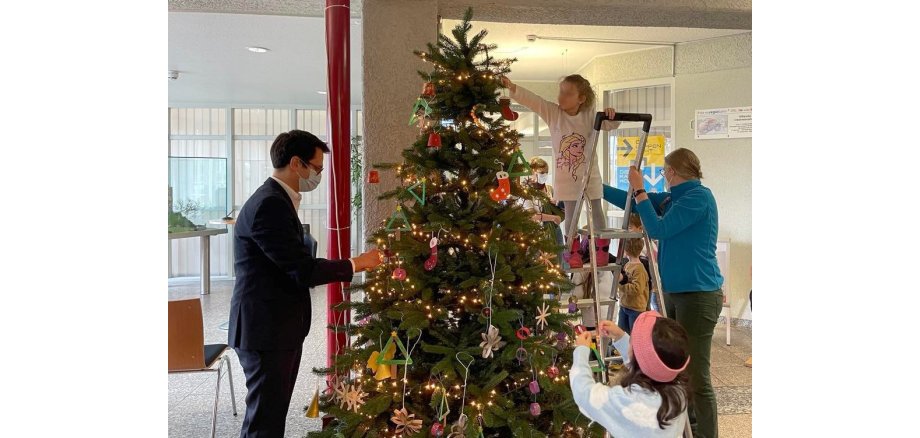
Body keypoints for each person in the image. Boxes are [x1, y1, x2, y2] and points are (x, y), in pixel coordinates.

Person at [229, 129, 383, 437]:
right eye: (317, 168)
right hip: (265, 331)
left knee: (271, 414)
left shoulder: (278, 200)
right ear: (297, 164)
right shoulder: (269, 204)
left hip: (275, 328)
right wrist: (357, 263)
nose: (318, 176)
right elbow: (302, 270)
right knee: (264, 420)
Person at [601, 147, 724, 438]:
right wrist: (597, 185)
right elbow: (630, 201)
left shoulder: (698, 198)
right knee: (677, 368)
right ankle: (687, 428)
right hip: (673, 293)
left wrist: (642, 190)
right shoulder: (672, 198)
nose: (664, 175)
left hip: (699, 295)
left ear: (672, 171)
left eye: (666, 170)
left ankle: (706, 434)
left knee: (697, 373)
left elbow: (658, 229)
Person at [501, 74, 619, 267]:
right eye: (560, 92)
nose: (561, 97)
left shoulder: (589, 115)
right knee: (571, 215)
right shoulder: (554, 113)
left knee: (596, 210)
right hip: (566, 180)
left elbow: (609, 124)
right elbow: (534, 101)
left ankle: (601, 250)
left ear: (581, 98)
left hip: (590, 176)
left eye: (568, 93)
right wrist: (513, 87)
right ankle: (573, 251)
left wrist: (611, 114)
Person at [571, 313, 690, 437]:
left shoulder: (626, 402)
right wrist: (620, 336)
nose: (630, 343)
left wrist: (581, 350)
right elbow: (648, 364)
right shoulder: (679, 391)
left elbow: (584, 393)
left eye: (631, 341)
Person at [617, 238, 650, 334]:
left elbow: (637, 289)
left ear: (626, 250)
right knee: (622, 333)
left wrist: (621, 283)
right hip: (624, 305)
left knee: (635, 336)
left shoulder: (639, 269)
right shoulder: (627, 264)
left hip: (636, 309)